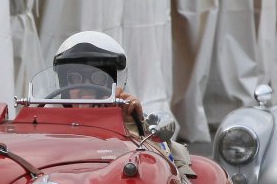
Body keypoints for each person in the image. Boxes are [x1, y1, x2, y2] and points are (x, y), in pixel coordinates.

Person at [51, 31, 192, 170]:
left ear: (112, 83)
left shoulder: (128, 120)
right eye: (75, 79)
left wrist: (132, 126)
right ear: (64, 85)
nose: (87, 87)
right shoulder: (49, 123)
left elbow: (157, 167)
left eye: (98, 78)